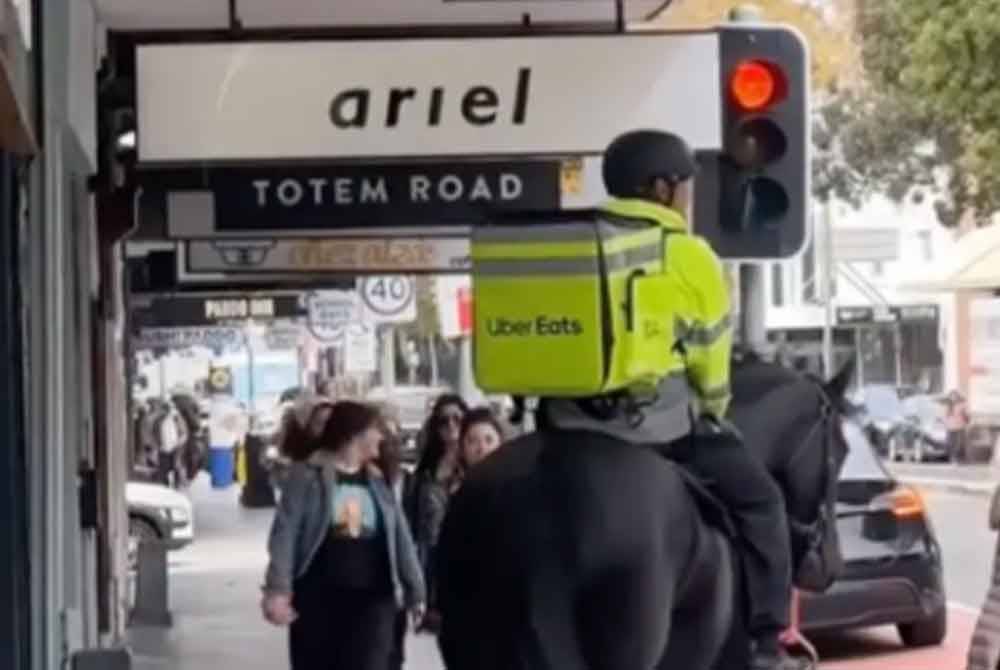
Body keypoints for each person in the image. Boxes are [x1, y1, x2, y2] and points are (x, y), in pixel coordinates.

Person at [543, 128, 794, 670]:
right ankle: (766, 641)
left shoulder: (573, 240)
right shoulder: (686, 253)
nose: (687, 198)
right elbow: (709, 358)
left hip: (561, 424)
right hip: (656, 429)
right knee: (762, 503)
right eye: (684, 186)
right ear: (659, 189)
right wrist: (714, 408)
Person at [260, 400, 426, 670]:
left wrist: (416, 589)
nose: (381, 437)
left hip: (374, 596)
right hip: (319, 599)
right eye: (375, 429)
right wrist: (278, 589)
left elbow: (401, 536)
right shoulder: (306, 476)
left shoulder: (378, 479)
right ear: (354, 434)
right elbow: (285, 532)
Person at [409, 394, 468, 632]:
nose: (452, 426)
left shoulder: (478, 462)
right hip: (434, 557)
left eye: (458, 419)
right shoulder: (426, 471)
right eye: (444, 421)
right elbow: (416, 525)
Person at [375, 409, 417, 670]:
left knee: (393, 653)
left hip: (399, 582)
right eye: (382, 436)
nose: (388, 444)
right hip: (375, 582)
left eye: (392, 437)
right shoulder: (363, 483)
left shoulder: (408, 481)